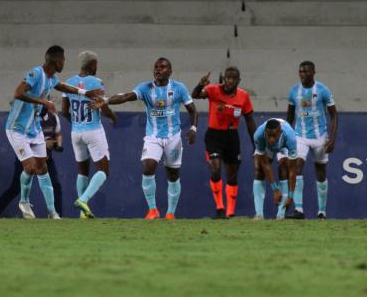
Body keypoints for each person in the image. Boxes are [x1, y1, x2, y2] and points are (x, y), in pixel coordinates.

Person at [5, 45, 102, 219]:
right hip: (17, 129)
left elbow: (65, 87)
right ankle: (24, 202)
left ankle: (52, 212)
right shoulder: (36, 73)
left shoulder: (52, 79)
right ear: (57, 61)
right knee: (31, 167)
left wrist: (85, 92)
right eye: (63, 60)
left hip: (34, 130)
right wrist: (43, 102)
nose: (64, 63)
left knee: (43, 168)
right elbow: (18, 93)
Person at [108, 57, 198, 219]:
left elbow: (192, 109)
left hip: (173, 138)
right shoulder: (145, 88)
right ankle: (152, 210)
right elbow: (126, 96)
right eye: (156, 67)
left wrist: (193, 128)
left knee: (173, 175)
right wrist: (106, 100)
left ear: (170, 71)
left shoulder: (179, 88)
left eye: (162, 67)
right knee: (148, 167)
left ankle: (170, 213)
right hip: (153, 137)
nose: (158, 70)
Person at [191, 67, 256, 219]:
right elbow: (195, 95)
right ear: (224, 78)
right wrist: (200, 85)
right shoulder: (213, 90)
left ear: (238, 81)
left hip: (232, 137)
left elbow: (250, 121)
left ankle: (230, 213)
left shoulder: (243, 96)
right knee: (215, 168)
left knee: (232, 176)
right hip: (214, 136)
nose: (230, 81)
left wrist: (256, 145)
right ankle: (220, 207)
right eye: (227, 78)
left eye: (233, 78)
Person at [62, 51, 117, 218]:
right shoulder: (96, 82)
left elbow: (64, 111)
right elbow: (103, 106)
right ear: (93, 65)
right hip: (93, 130)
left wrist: (77, 125)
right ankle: (83, 200)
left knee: (82, 171)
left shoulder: (69, 82)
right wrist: (113, 117)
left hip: (76, 133)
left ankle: (82, 213)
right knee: (104, 170)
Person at [286, 61, 338, 219]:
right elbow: (289, 116)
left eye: (306, 71)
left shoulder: (323, 90)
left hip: (320, 137)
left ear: (314, 72)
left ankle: (322, 211)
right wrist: (288, 137)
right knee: (296, 167)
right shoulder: (294, 91)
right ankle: (299, 210)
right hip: (300, 136)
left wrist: (332, 139)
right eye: (301, 71)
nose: (303, 74)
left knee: (320, 173)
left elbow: (334, 115)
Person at [0, 109, 64, 217]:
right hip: (27, 156)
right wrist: (47, 144)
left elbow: (58, 133)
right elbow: (26, 138)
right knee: (16, 187)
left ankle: (56, 214)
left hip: (46, 158)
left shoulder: (54, 117)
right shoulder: (28, 119)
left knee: (56, 185)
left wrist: (59, 144)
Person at [252, 118, 298, 219]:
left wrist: (291, 196)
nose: (272, 139)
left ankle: (280, 215)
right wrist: (275, 189)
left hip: (283, 147)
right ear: (265, 132)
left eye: (274, 136)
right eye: (269, 136)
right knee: (259, 170)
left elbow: (292, 170)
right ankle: (259, 215)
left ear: (280, 132)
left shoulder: (290, 137)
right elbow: (266, 164)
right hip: (267, 147)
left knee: (284, 170)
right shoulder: (258, 135)